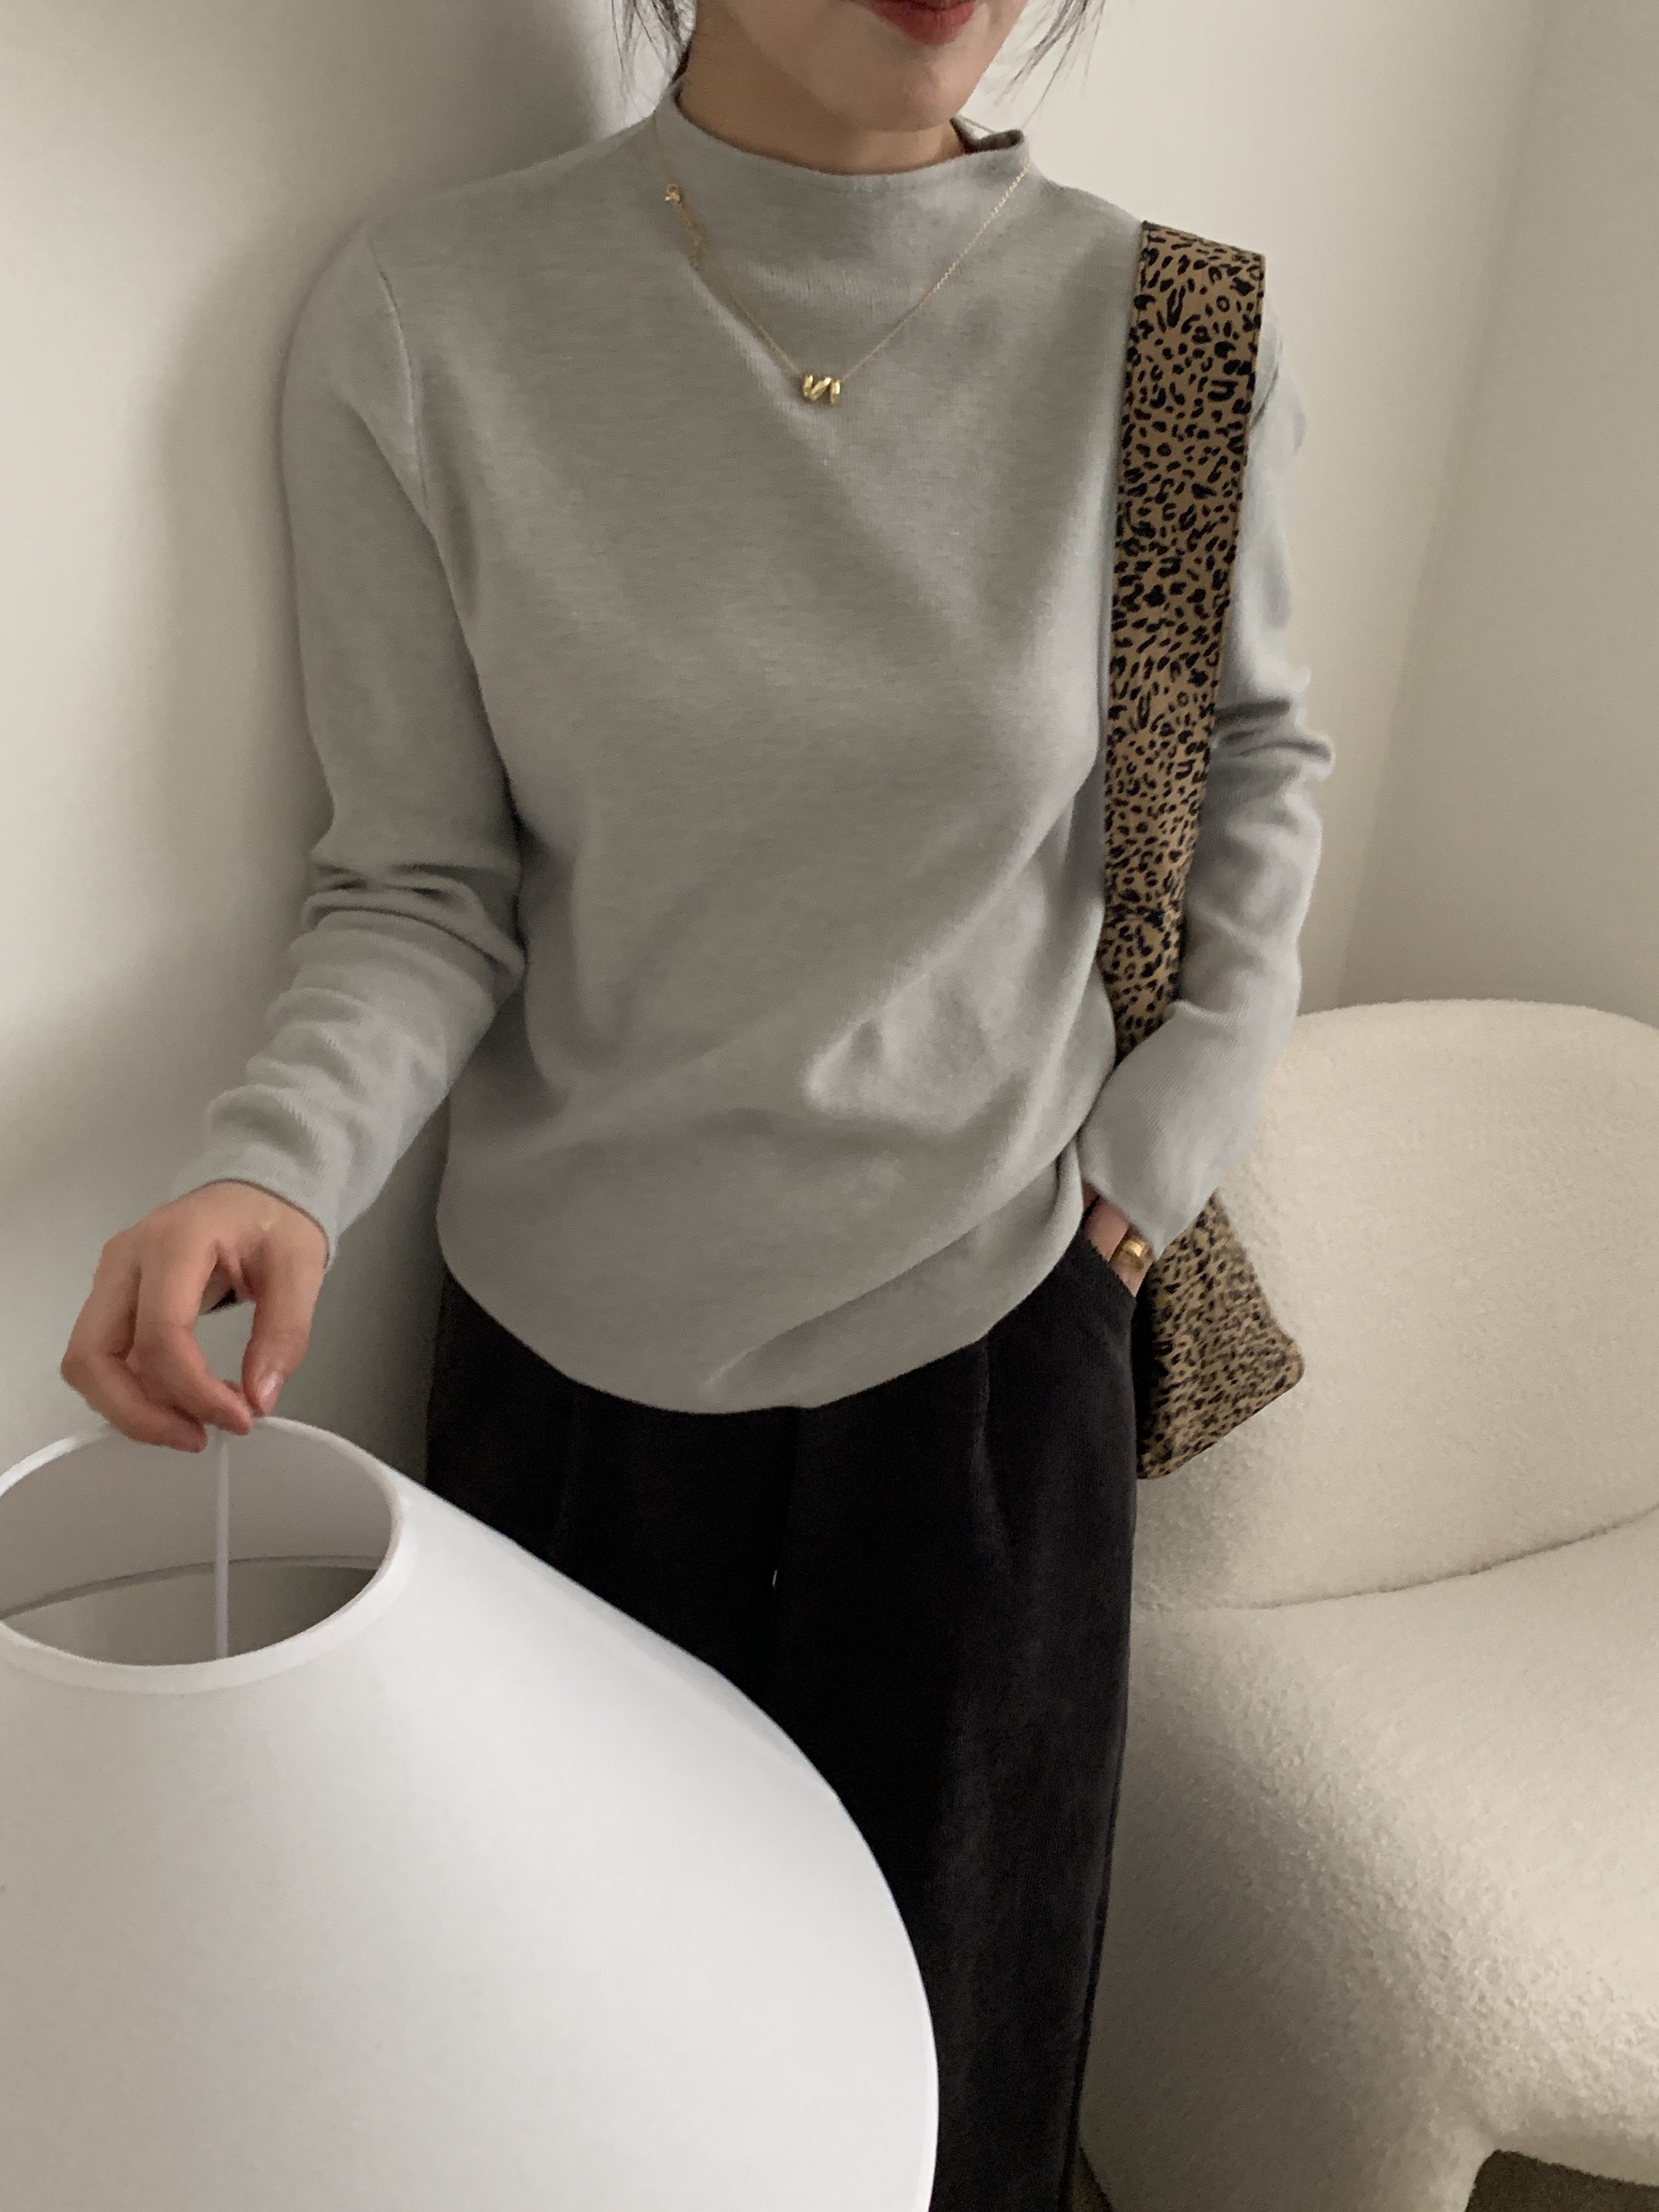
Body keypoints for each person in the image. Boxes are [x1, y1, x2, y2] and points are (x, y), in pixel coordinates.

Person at [61, 0, 1333, 2204]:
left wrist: (1135, 1189)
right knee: (581, 2085)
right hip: (570, 1388)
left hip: (990, 1356)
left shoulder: (1176, 339)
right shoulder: (428, 324)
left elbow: (1255, 782)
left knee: (946, 2086)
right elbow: (421, 883)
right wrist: (273, 1168)